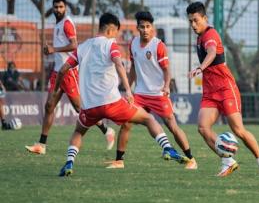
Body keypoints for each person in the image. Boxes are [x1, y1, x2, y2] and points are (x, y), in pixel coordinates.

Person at [57, 12, 173, 176]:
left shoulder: (81, 48)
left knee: (78, 131)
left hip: (90, 106)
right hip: (112, 103)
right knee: (148, 118)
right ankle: (168, 147)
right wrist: (127, 89)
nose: (116, 37)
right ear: (111, 30)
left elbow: (63, 70)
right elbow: (119, 64)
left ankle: (69, 163)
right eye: (116, 33)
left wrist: (56, 88)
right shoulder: (111, 45)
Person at [186, 2, 259, 177]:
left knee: (238, 130)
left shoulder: (211, 34)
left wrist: (200, 68)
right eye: (190, 22)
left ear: (204, 18)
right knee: (203, 127)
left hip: (225, 88)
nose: (193, 25)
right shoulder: (199, 37)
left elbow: (211, 53)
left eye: (196, 20)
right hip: (210, 91)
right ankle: (228, 161)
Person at [25, 0, 115, 155]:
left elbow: (74, 45)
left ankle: (107, 131)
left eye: (61, 7)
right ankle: (41, 145)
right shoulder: (58, 24)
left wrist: (54, 49)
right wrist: (51, 52)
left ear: (65, 7)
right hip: (57, 72)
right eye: (55, 7)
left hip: (69, 72)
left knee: (80, 108)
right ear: (52, 8)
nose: (58, 9)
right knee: (49, 106)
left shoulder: (67, 23)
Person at [106, 11, 193, 169]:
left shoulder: (158, 45)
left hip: (158, 94)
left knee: (172, 126)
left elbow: (167, 70)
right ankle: (119, 160)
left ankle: (191, 159)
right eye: (142, 26)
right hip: (140, 94)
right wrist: (127, 87)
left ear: (152, 28)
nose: (145, 29)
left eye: (148, 26)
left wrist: (166, 86)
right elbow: (133, 68)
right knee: (126, 123)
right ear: (137, 28)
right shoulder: (133, 44)